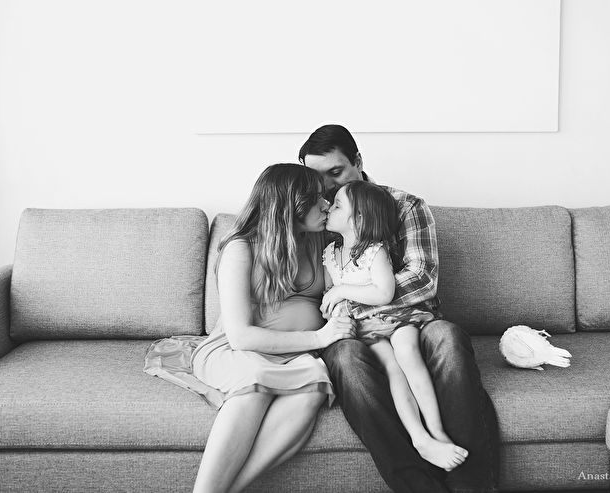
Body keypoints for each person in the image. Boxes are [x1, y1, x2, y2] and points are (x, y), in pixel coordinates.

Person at [299, 125, 500, 493]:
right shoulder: (317, 215)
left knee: (448, 339)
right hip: (353, 331)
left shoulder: (405, 205)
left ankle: (470, 485)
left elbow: (421, 279)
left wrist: (356, 301)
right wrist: (347, 314)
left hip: (414, 320)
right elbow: (320, 291)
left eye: (336, 172)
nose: (326, 187)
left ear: (358, 161)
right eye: (317, 177)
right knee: (346, 361)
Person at [190, 163, 356, 493]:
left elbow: (339, 283)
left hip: (294, 354)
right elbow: (240, 336)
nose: (326, 205)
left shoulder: (318, 239)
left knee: (314, 385)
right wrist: (320, 336)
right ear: (292, 206)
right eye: (317, 199)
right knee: (254, 382)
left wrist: (340, 304)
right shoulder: (240, 247)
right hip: (239, 350)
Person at [321, 180, 469, 472]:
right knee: (392, 369)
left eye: (337, 205)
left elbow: (385, 293)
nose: (329, 208)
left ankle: (437, 431)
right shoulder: (329, 253)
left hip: (400, 317)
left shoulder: (375, 251)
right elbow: (328, 299)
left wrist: (342, 291)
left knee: (407, 353)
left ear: (358, 219)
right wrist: (335, 309)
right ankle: (419, 437)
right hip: (366, 328)